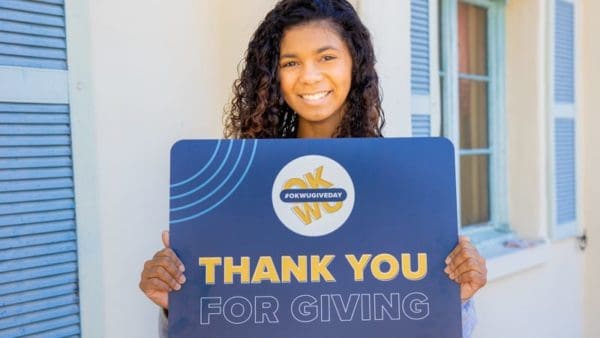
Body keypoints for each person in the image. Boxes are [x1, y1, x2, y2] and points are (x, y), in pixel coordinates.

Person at [139, 0, 487, 337]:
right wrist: (175, 305)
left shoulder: (398, 183)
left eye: (327, 57)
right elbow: (222, 318)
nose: (309, 76)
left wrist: (457, 298)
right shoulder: (241, 189)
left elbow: (422, 319)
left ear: (356, 63)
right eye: (290, 63)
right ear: (272, 75)